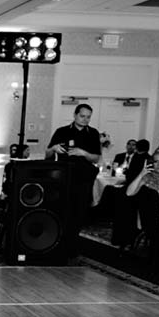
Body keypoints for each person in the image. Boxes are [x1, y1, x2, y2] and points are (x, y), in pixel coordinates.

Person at [45, 103, 101, 254]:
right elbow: (47, 154)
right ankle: (56, 241)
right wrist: (53, 149)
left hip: (84, 178)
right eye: (82, 116)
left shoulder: (93, 134)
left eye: (88, 117)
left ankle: (72, 244)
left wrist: (83, 153)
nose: (85, 120)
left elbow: (96, 158)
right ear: (75, 115)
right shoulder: (62, 131)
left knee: (79, 212)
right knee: (62, 210)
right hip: (63, 177)